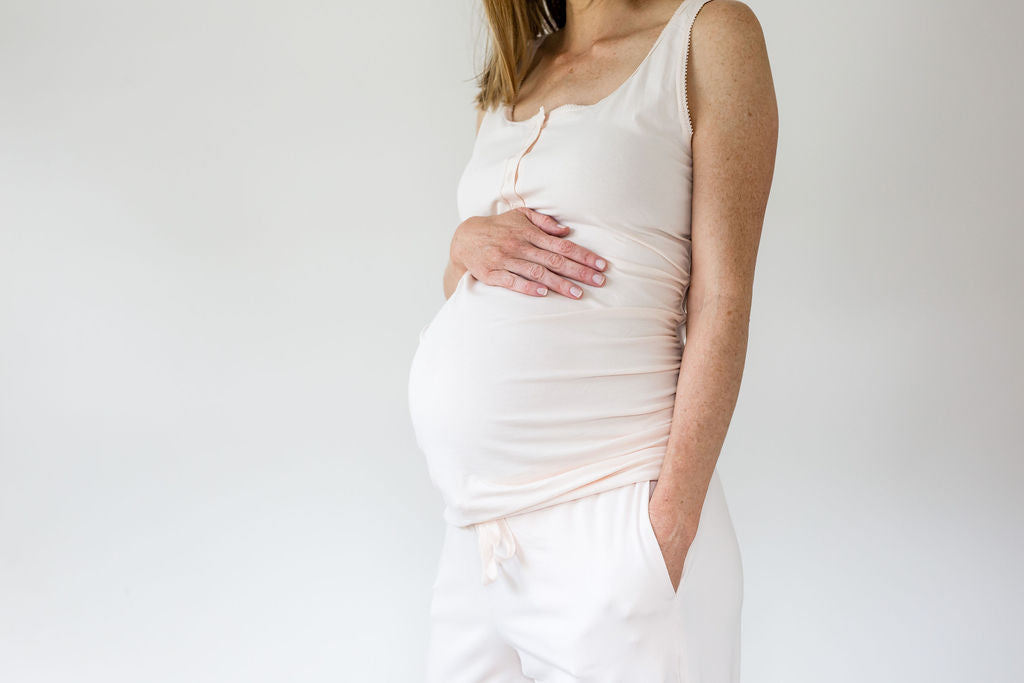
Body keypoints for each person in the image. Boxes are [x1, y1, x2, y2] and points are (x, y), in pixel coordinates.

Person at [407, 0, 777, 679]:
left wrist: (665, 531)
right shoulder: (520, 70)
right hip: (480, 537)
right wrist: (464, 243)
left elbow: (723, 297)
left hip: (614, 515)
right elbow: (469, 285)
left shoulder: (709, 36)